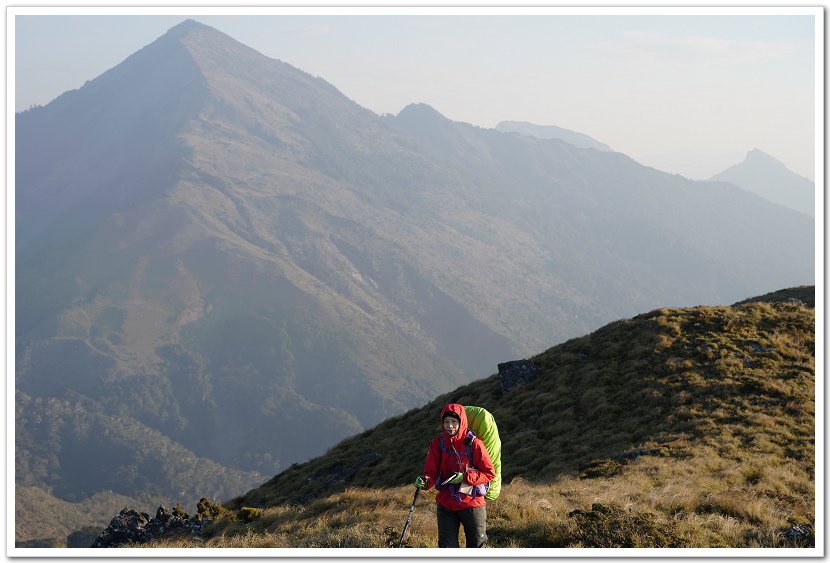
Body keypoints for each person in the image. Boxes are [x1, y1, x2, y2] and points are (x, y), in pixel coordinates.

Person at [414, 403, 496, 548]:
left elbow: (489, 473)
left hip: (472, 503)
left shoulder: (475, 444)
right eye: (446, 422)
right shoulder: (438, 444)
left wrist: (465, 477)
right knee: (447, 549)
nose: (450, 426)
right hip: (446, 504)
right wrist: (425, 481)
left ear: (461, 422)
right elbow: (431, 471)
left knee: (477, 547)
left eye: (454, 421)